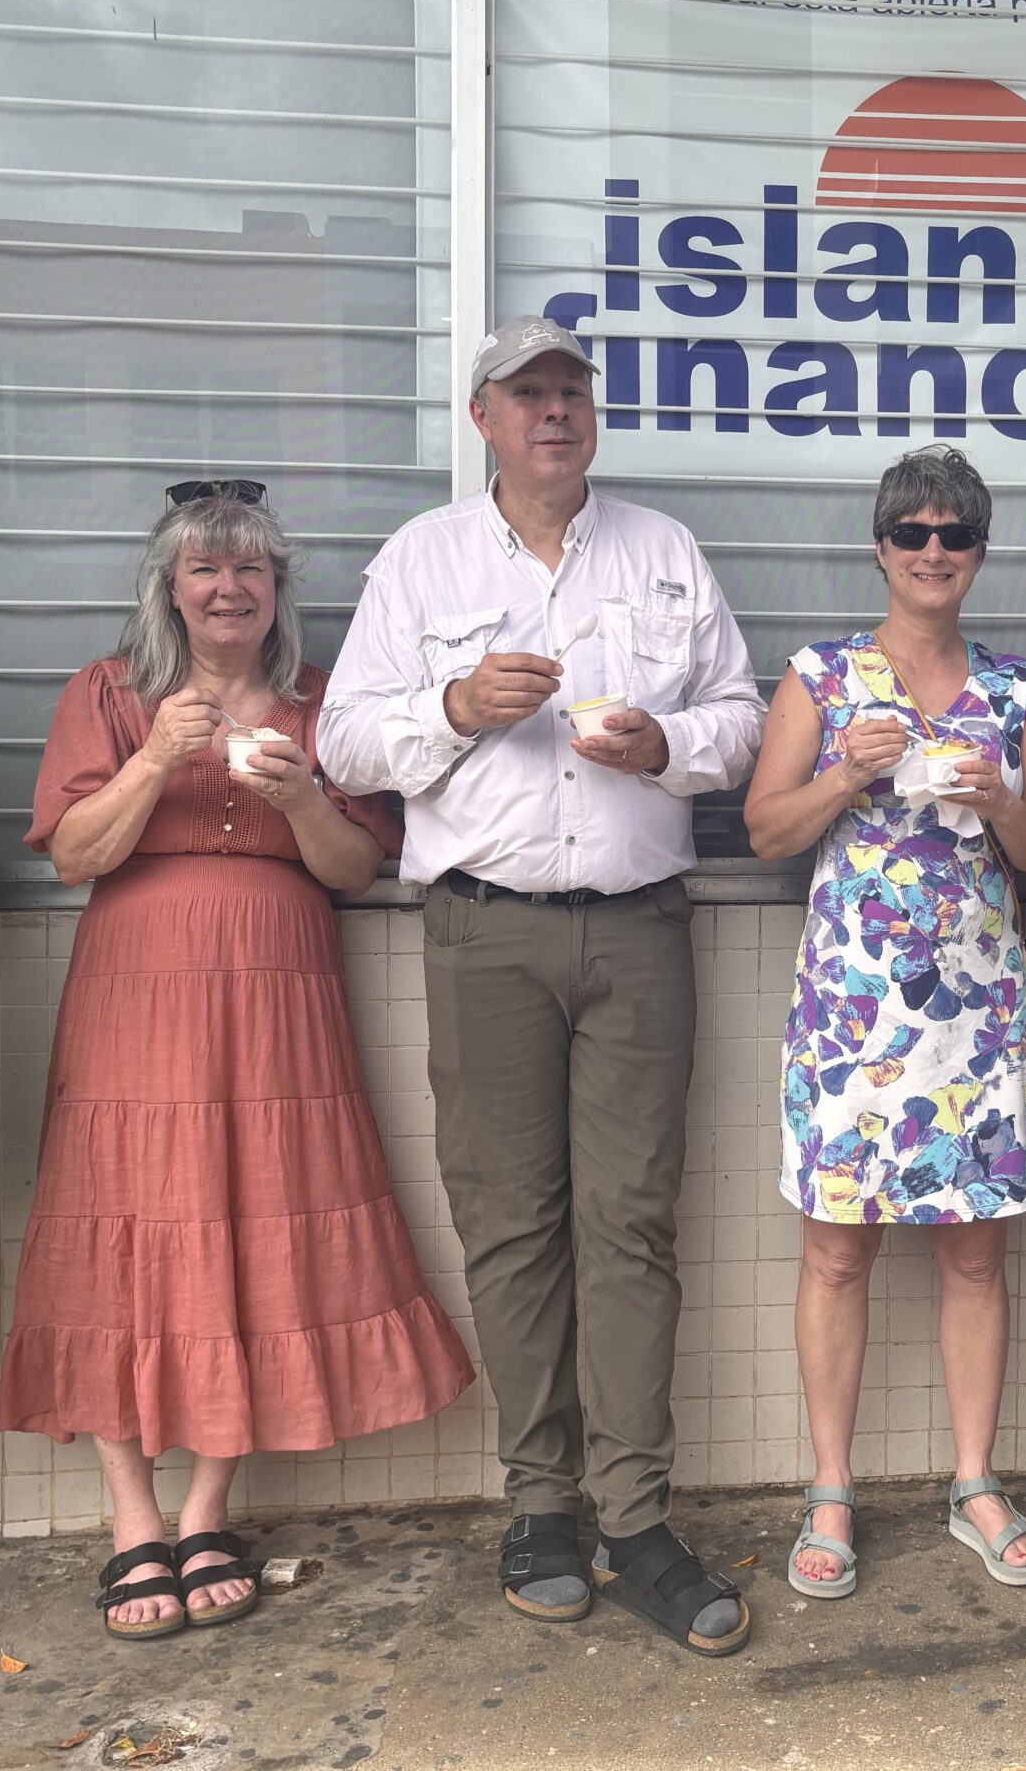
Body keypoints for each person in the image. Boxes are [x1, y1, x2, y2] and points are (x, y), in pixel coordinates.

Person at [317, 315, 767, 1658]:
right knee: (514, 1227)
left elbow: (741, 720)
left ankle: (637, 1520)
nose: (554, 412)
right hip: (481, 933)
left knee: (630, 1225)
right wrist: (451, 709)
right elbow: (342, 735)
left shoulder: (665, 550)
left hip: (636, 928)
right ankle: (542, 1508)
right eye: (529, 394)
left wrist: (665, 744)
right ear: (485, 418)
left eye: (572, 391)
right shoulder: (424, 558)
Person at [0, 481, 474, 1641]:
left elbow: (353, 871)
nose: (229, 589)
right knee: (120, 1228)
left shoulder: (325, 702)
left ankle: (208, 1507)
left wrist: (306, 795)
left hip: (282, 997)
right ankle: (130, 1520)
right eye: (206, 570)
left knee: (257, 1219)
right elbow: (74, 854)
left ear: (277, 591)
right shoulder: (108, 693)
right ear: (170, 586)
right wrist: (157, 758)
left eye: (251, 570)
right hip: (136, 992)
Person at [744, 446, 1026, 1599]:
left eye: (957, 534)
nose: (936, 552)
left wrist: (997, 797)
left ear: (980, 552)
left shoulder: (1018, 691)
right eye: (914, 532)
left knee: (975, 1251)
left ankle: (973, 1481)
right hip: (851, 1019)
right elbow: (766, 831)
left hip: (976, 1019)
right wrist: (843, 776)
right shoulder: (823, 678)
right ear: (881, 547)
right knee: (836, 1251)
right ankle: (831, 1489)